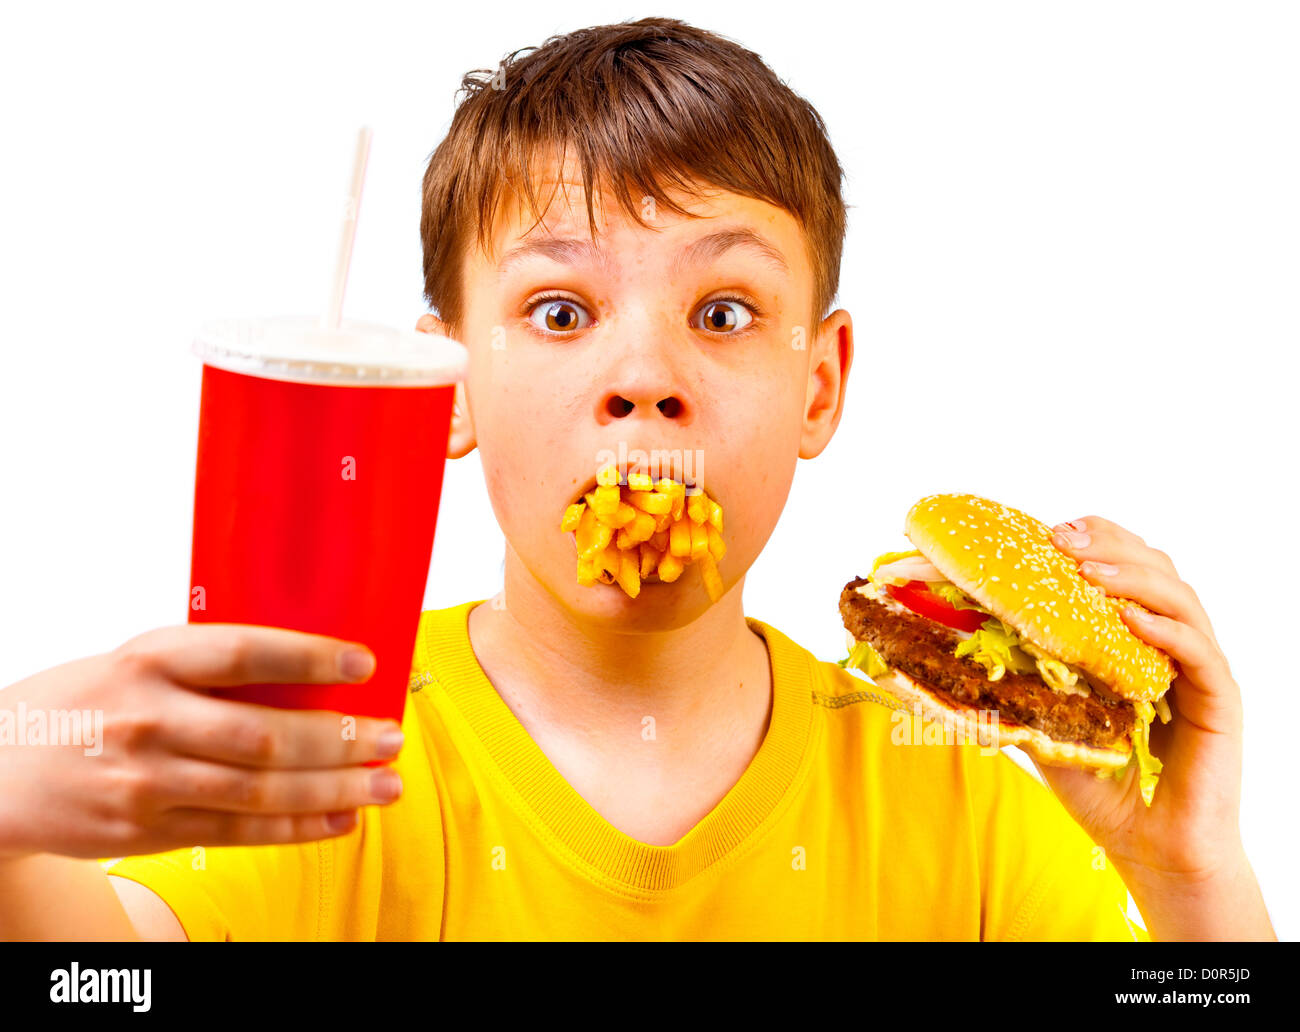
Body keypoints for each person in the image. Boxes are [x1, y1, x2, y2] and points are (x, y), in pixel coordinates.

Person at [0, 17, 1274, 941]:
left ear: (819, 386)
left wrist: (1189, 872)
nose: (644, 377)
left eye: (722, 313)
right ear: (438, 393)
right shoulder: (333, 751)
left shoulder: (956, 793)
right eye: (560, 312)